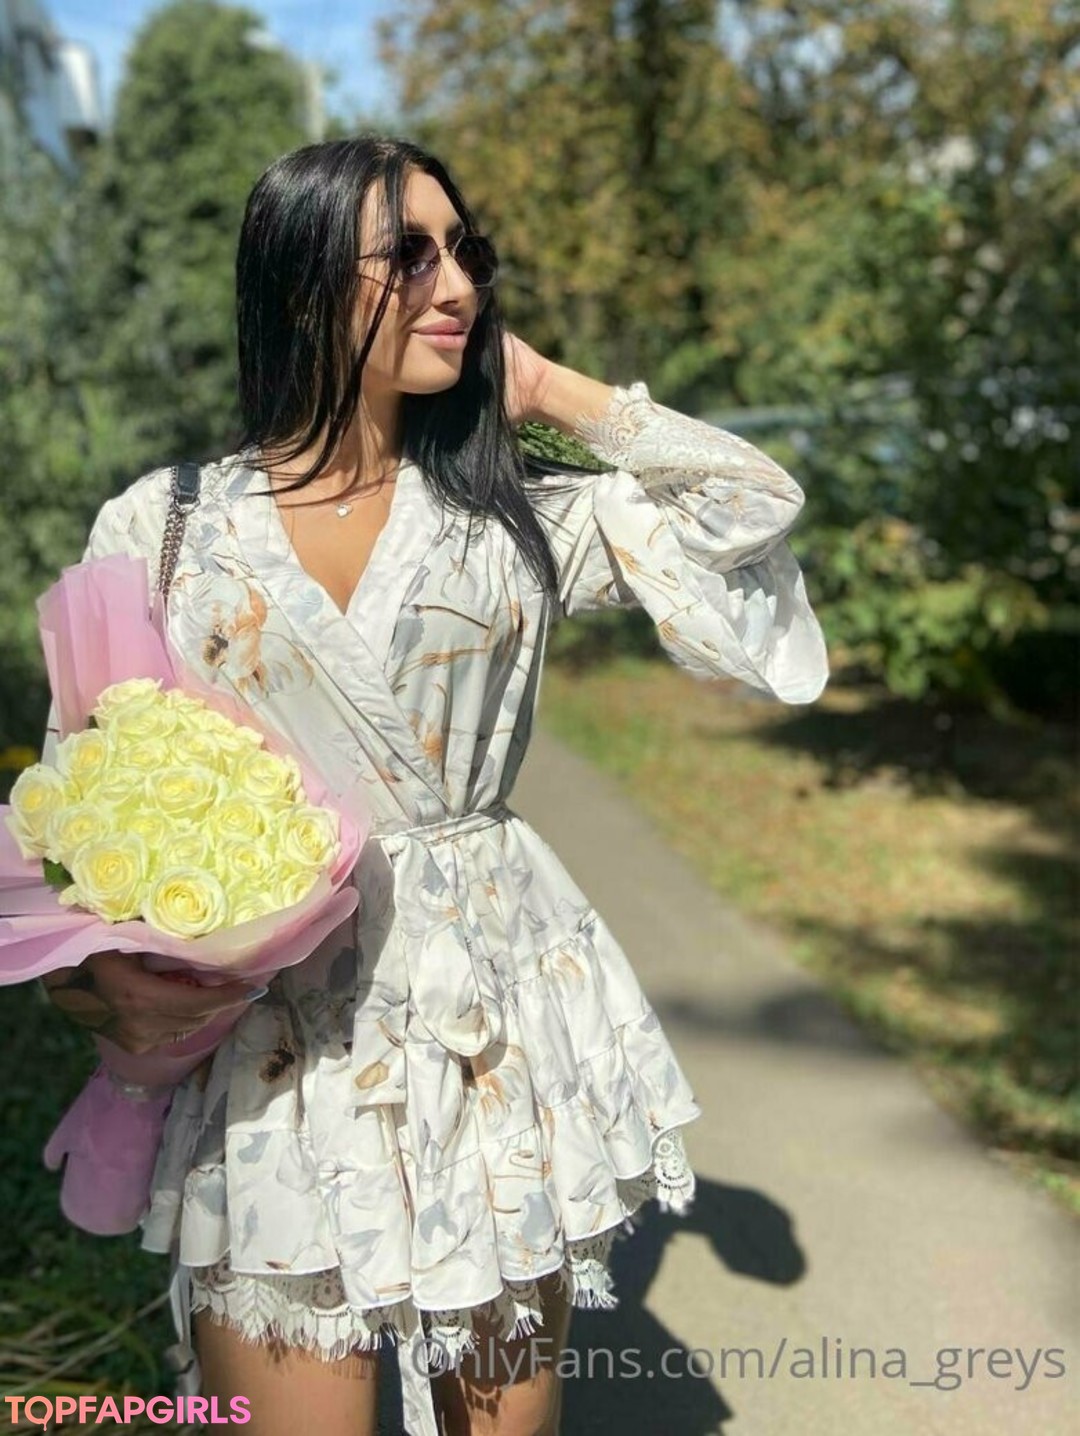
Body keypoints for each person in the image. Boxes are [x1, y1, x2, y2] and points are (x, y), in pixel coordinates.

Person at [39, 135, 829, 1436]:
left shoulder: (518, 515)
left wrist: (551, 389)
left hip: (491, 1022)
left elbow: (752, 504)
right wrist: (93, 984)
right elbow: (84, 810)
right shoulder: (163, 527)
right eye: (408, 254)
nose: (457, 282)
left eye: (468, 252)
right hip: (276, 1049)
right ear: (301, 281)